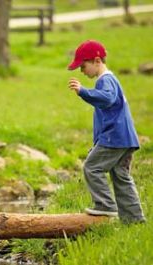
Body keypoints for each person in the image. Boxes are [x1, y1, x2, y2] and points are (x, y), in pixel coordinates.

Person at [67, 40, 145, 223]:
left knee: (91, 167)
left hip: (115, 138)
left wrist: (83, 92)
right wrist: (97, 144)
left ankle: (105, 205)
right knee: (121, 176)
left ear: (96, 61)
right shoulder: (110, 80)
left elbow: (108, 99)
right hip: (125, 138)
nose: (82, 71)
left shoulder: (106, 80)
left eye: (83, 66)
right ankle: (135, 220)